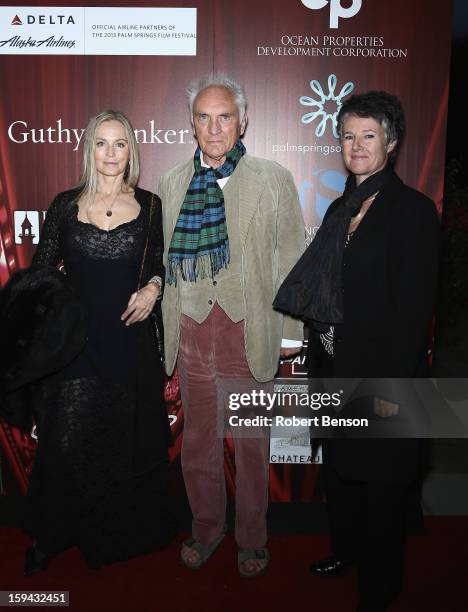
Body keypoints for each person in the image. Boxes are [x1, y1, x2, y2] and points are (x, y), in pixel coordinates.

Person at [274, 91, 440, 610]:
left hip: (379, 376)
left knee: (381, 485)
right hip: (331, 368)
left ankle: (381, 581)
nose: (357, 145)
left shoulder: (412, 212)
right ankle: (346, 551)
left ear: (390, 142)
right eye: (348, 136)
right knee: (342, 474)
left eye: (369, 135)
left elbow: (414, 314)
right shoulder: (340, 207)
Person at [159, 75, 304, 576]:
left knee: (249, 442)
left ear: (244, 121)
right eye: (204, 117)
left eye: (225, 117)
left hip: (251, 329)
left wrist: (290, 333)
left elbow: (290, 259)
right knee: (197, 441)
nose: (214, 127)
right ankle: (206, 528)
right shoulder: (174, 181)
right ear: (192, 124)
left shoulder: (272, 177)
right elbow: (165, 262)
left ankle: (252, 537)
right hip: (194, 329)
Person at [19, 109, 176, 573]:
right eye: (102, 144)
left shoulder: (150, 206)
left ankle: (115, 532)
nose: (111, 153)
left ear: (131, 150)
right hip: (75, 345)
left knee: (121, 439)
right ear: (90, 149)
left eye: (120, 143)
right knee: (66, 439)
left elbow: (158, 266)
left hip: (128, 343)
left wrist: (154, 287)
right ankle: (52, 534)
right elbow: (42, 273)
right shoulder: (65, 205)